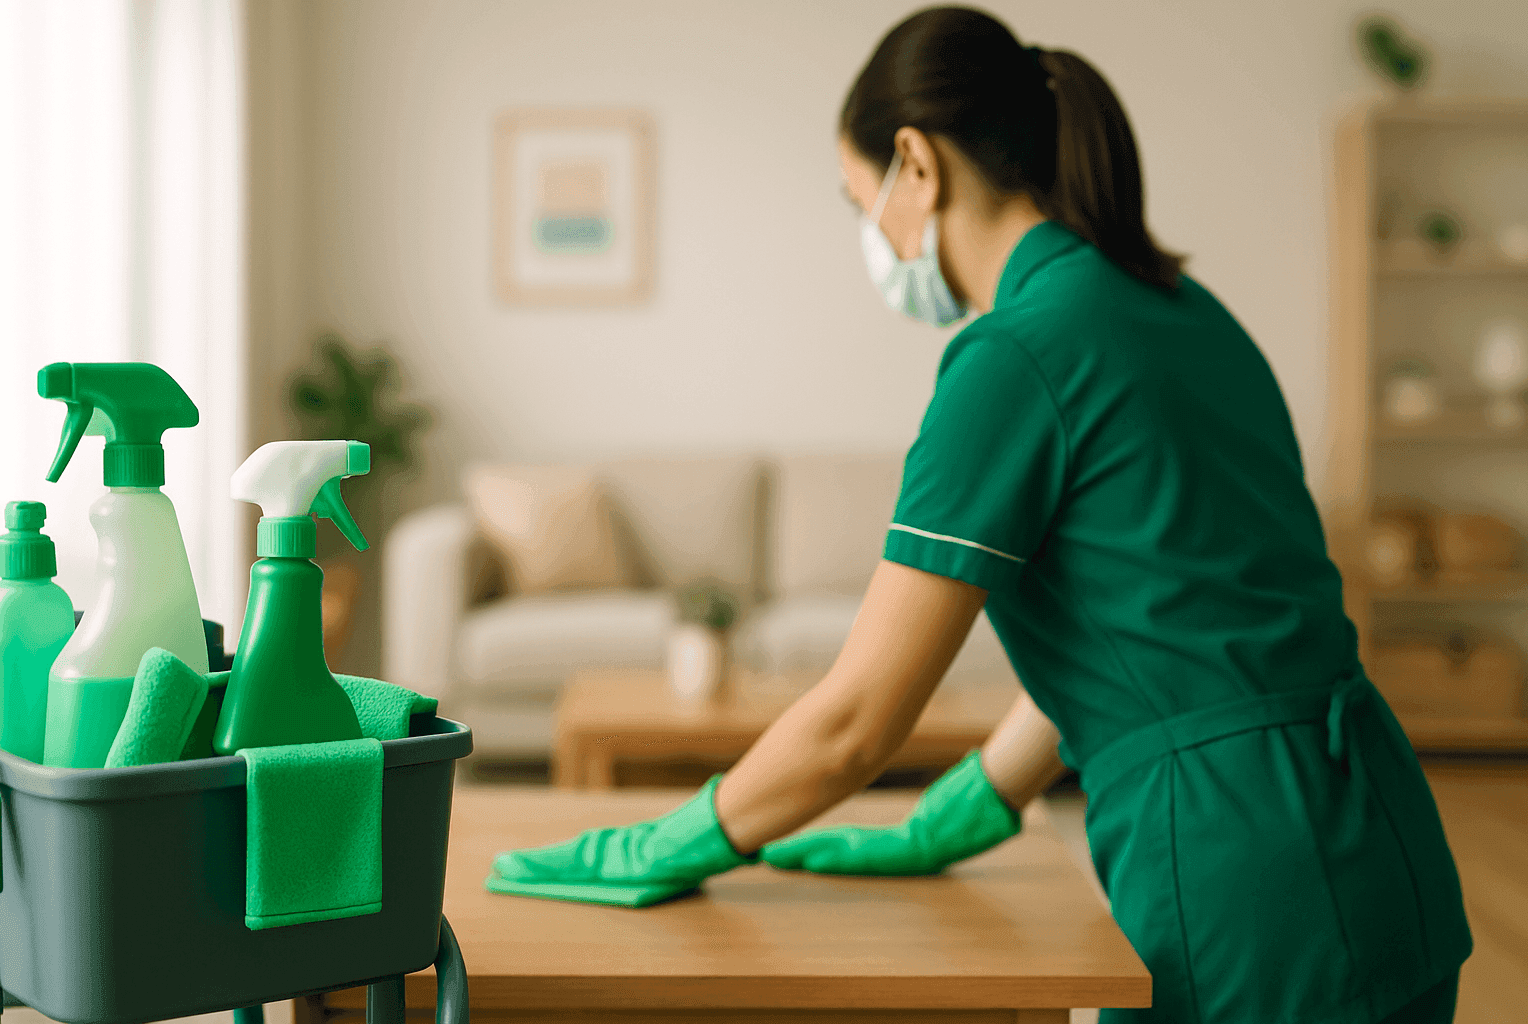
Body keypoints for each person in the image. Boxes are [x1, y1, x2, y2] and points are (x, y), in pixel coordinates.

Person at [488, 7, 1472, 1023]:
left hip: (1244, 888)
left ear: (915, 164)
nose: (868, 234)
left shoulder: (1016, 354)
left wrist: (679, 835)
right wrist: (969, 806)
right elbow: (1147, 628)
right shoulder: (1183, 311)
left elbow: (856, 719)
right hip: (1379, 842)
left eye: (856, 199)